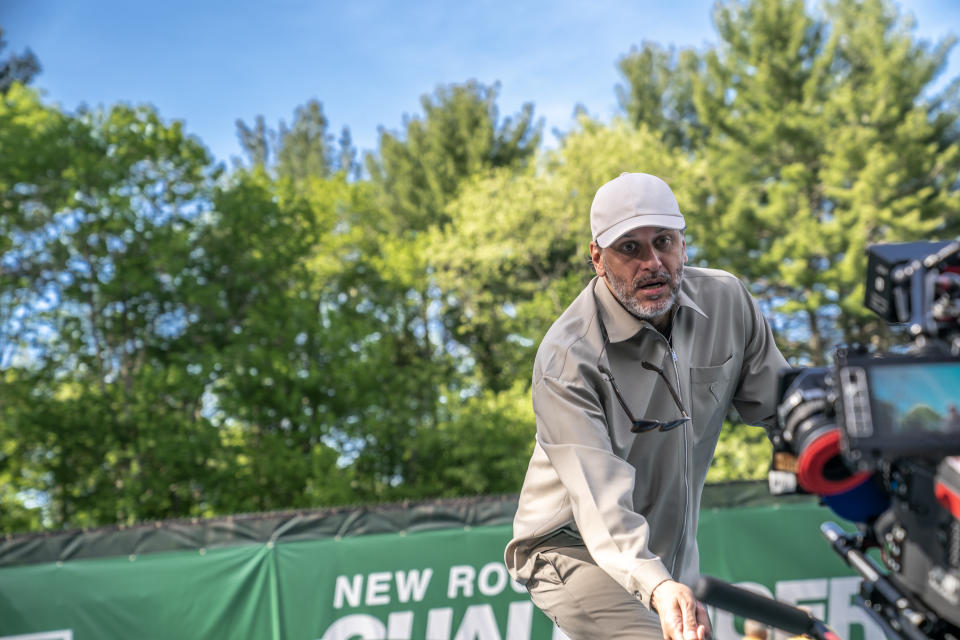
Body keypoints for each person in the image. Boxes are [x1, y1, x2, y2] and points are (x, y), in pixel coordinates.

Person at [504, 172, 789, 640]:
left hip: (667, 559)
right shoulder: (566, 359)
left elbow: (786, 410)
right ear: (597, 258)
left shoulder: (729, 302)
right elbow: (600, 505)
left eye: (663, 242)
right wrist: (657, 586)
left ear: (684, 244)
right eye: (630, 249)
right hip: (569, 550)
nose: (652, 263)